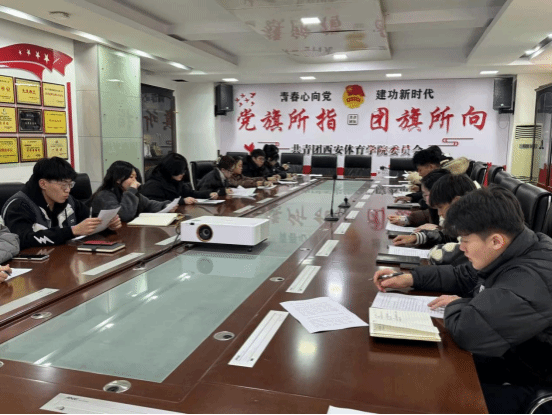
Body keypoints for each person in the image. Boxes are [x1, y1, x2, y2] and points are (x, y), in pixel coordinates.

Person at [374, 187, 552, 414]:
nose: (461, 247)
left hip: (536, 385)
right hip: (513, 356)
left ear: (496, 241)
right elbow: (464, 275)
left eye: (466, 240)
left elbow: (469, 331)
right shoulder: (516, 249)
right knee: (415, 369)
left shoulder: (533, 276)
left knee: (429, 397)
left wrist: (460, 304)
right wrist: (411, 278)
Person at [2, 158, 121, 250]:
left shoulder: (68, 200)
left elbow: (88, 219)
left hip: (62, 258)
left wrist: (107, 225)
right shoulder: (19, 205)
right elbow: (22, 240)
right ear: (43, 184)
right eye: (63, 185)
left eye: (70, 184)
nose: (68, 190)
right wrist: (72, 231)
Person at [393, 174, 476, 248]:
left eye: (440, 207)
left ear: (456, 202)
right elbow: (449, 237)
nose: (439, 213)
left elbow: (460, 254)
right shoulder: (463, 222)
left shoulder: (476, 229)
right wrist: (417, 237)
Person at [90, 161, 176, 223]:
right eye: (131, 177)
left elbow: (148, 204)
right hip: (104, 237)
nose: (135, 181)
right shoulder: (105, 195)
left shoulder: (126, 191)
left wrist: (166, 205)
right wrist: (131, 191)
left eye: (135, 177)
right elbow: (124, 215)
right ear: (118, 180)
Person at [141, 153, 218, 204]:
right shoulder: (153, 184)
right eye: (181, 172)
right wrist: (182, 201)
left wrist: (208, 194)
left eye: (184, 171)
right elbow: (154, 203)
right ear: (171, 170)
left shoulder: (175, 181)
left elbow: (190, 193)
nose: (183, 174)